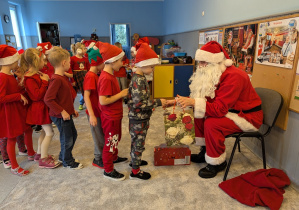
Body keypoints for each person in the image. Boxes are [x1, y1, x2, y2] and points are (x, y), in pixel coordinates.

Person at [168, 41, 263, 178]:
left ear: (215, 62)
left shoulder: (234, 76)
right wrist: (176, 101)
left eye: (203, 63)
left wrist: (194, 102)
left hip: (247, 117)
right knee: (198, 113)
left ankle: (217, 162)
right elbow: (201, 98)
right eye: (199, 62)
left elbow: (219, 109)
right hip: (230, 111)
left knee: (212, 123)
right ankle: (205, 149)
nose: (200, 67)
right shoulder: (214, 74)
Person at [127, 43, 166, 180]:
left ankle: (134, 162)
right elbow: (140, 103)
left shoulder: (140, 77)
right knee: (138, 144)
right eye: (151, 66)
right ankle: (135, 171)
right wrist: (159, 102)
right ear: (142, 64)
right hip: (138, 119)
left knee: (136, 142)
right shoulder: (139, 80)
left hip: (140, 118)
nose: (153, 69)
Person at [20, 48, 59, 169]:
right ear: (36, 61)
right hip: (39, 108)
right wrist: (45, 82)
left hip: (42, 107)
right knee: (49, 132)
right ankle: (43, 158)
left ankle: (39, 154)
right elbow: (36, 96)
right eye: (43, 60)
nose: (45, 63)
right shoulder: (30, 78)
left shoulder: (36, 74)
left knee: (44, 131)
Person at [44, 46, 83, 169]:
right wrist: (62, 111)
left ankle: (63, 156)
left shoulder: (61, 78)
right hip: (60, 115)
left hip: (66, 113)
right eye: (70, 62)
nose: (70, 64)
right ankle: (67, 161)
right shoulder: (56, 80)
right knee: (67, 138)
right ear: (64, 62)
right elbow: (48, 99)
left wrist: (71, 110)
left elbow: (63, 99)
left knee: (72, 135)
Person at [0, 45, 35, 176]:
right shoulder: (3, 77)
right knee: (11, 139)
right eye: (16, 61)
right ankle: (14, 166)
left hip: (16, 109)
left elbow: (13, 90)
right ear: (9, 61)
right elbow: (1, 97)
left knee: (28, 129)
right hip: (9, 112)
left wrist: (21, 84)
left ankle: (30, 152)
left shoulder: (9, 74)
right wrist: (18, 96)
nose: (18, 64)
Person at [97, 41, 128, 181]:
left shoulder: (111, 75)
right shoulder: (105, 78)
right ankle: (108, 170)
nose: (122, 63)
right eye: (120, 60)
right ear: (112, 61)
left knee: (115, 139)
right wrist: (121, 94)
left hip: (115, 115)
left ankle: (114, 158)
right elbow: (103, 100)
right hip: (110, 117)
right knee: (110, 142)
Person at [83, 44, 105, 169]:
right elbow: (86, 96)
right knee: (97, 136)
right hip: (93, 113)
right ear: (98, 62)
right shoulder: (90, 76)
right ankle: (97, 158)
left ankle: (102, 156)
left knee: (101, 135)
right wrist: (91, 115)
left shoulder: (95, 75)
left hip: (97, 111)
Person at [69, 42, 90, 110]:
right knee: (73, 93)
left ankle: (87, 104)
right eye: (83, 48)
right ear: (78, 49)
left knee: (85, 92)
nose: (85, 50)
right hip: (76, 76)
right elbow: (70, 70)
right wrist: (72, 80)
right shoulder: (72, 59)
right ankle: (70, 107)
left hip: (84, 76)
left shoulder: (85, 59)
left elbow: (88, 69)